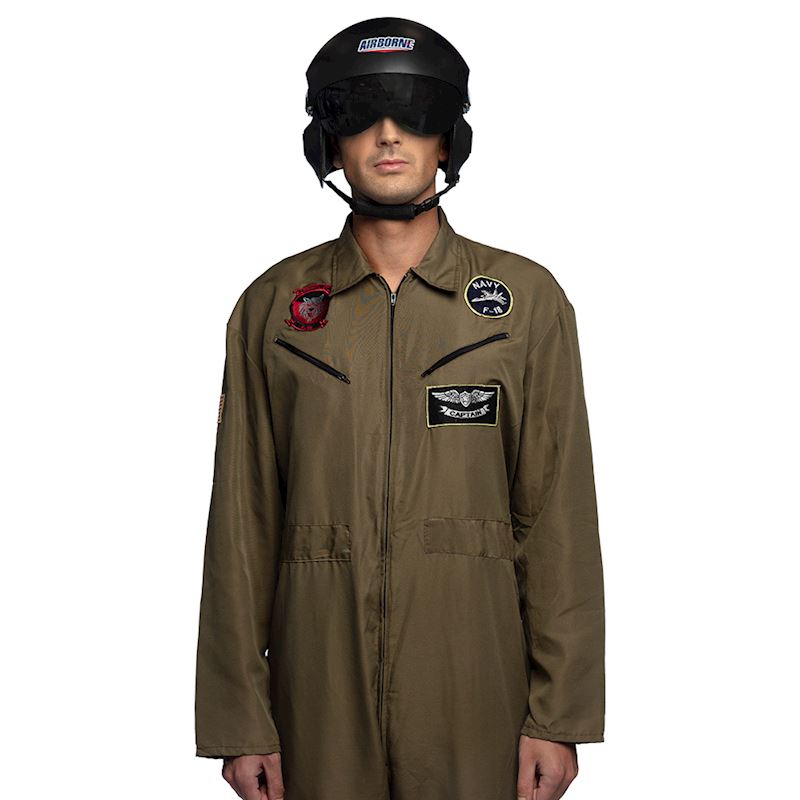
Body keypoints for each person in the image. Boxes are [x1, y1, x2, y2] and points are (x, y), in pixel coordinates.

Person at [194, 16, 605, 800]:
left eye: (414, 115)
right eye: (363, 117)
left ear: (447, 140)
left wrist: (559, 715)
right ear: (331, 144)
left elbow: (558, 518)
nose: (389, 137)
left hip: (476, 690)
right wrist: (240, 719)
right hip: (316, 694)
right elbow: (241, 526)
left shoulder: (524, 303)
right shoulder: (274, 308)